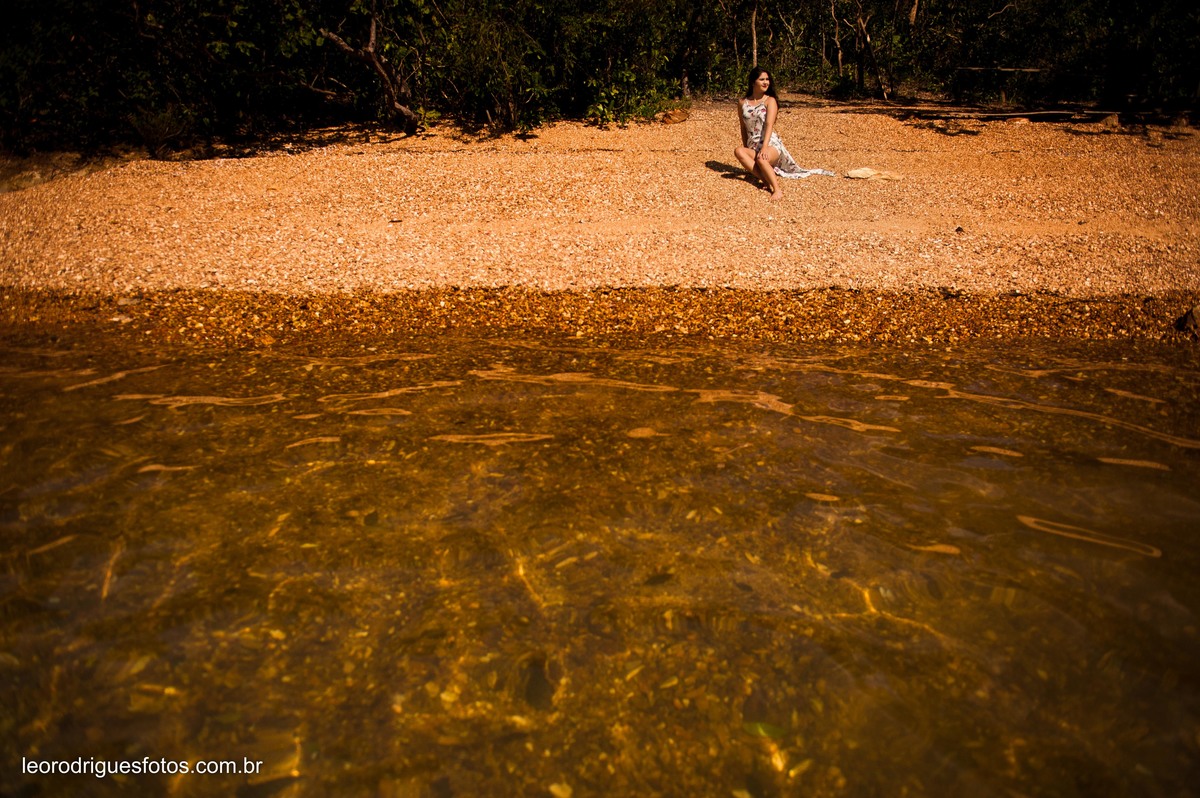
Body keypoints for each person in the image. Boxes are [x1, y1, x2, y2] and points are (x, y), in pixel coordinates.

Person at [734, 67, 834, 200]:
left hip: (770, 143)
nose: (765, 82)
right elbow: (743, 126)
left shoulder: (770, 101)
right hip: (753, 144)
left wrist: (764, 147)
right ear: (753, 82)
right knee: (739, 151)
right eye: (762, 79)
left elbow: (769, 124)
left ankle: (776, 189)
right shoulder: (742, 102)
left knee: (761, 159)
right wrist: (746, 146)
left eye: (767, 79)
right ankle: (765, 178)